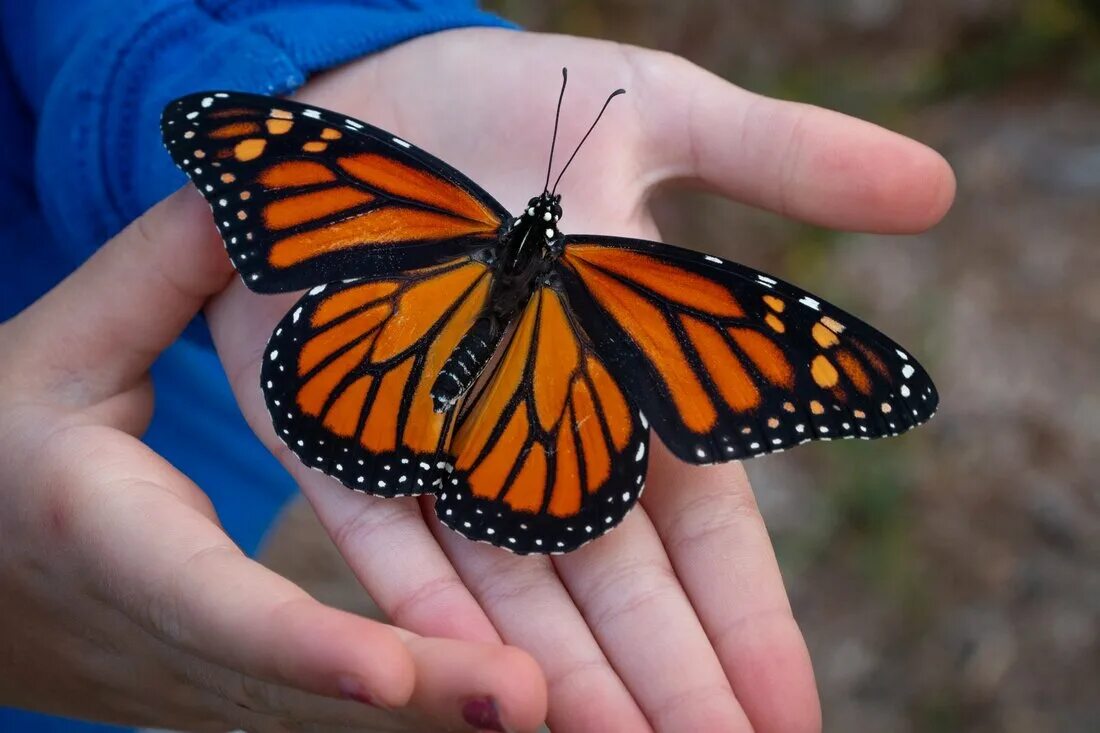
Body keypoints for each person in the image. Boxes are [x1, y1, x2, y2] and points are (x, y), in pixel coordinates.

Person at [0, 2, 956, 731]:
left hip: (342, 358)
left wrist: (265, 40)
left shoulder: (429, 205)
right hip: (507, 407)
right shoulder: (641, 283)